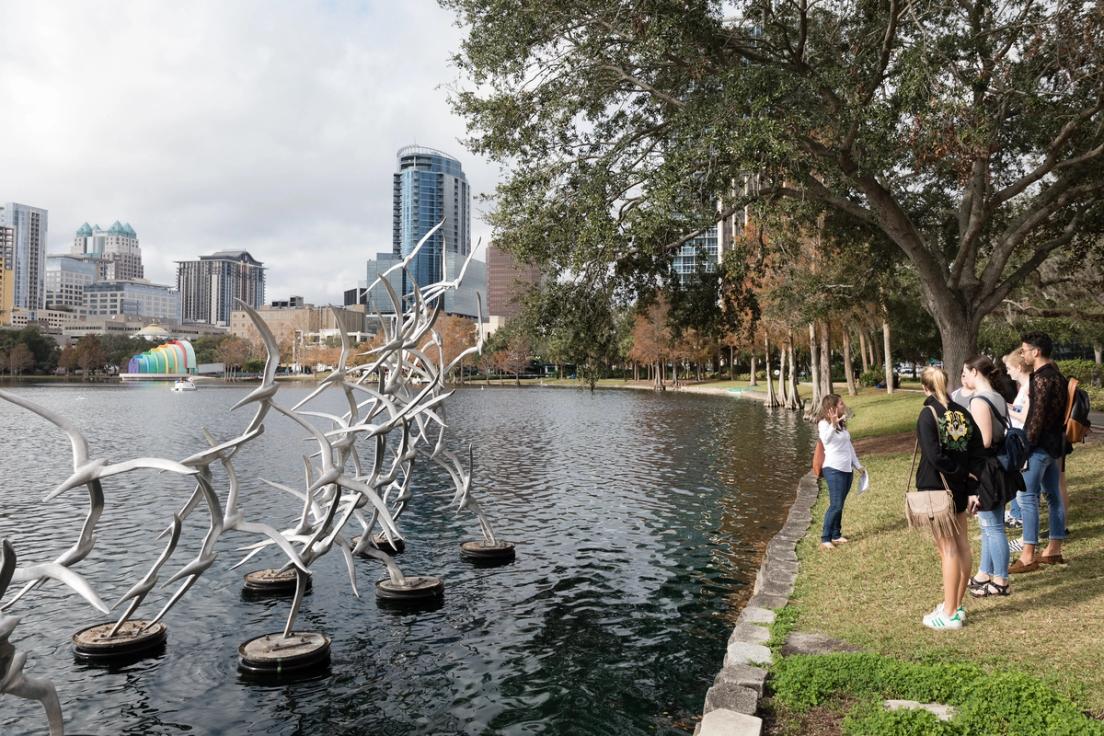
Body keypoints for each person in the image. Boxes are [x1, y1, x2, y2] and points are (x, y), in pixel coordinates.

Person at [915, 366, 979, 630]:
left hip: (936, 487)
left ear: (925, 387)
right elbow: (976, 450)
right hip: (960, 487)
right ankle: (955, 603)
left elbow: (933, 456)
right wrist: (967, 478)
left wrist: (956, 472)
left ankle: (950, 612)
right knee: (962, 545)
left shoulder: (928, 414)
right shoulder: (962, 413)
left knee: (947, 549)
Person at [960, 356, 1021, 597]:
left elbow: (983, 440)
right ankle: (985, 573)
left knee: (993, 527)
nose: (964, 377)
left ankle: (1001, 581)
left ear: (975, 372)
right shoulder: (996, 395)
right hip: (998, 467)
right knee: (988, 525)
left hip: (987, 469)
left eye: (966, 372)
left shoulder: (979, 400)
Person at [1009, 332, 1068, 573]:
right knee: (1053, 496)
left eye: (1024, 350)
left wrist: (1026, 446)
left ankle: (1028, 555)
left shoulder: (1042, 378)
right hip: (1054, 446)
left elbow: (1037, 417)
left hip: (1040, 446)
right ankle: (1053, 548)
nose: (1022, 354)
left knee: (1027, 498)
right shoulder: (1057, 375)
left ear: (1036, 351)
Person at [816, 394, 866, 550]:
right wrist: (832, 424)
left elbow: (848, 446)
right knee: (836, 504)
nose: (844, 406)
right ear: (833, 407)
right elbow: (825, 440)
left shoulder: (841, 424)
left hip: (846, 469)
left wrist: (857, 465)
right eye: (841, 404)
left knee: (840, 504)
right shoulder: (824, 424)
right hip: (833, 469)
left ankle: (836, 534)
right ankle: (825, 538)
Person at [1002, 350, 1031, 532]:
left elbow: (1026, 415)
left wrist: (1004, 408)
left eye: (1009, 368)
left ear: (1019, 367)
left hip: (1021, 442)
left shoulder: (1028, 387)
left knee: (1025, 495)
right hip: (1017, 440)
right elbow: (1021, 410)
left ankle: (1028, 535)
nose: (1007, 372)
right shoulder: (1025, 387)